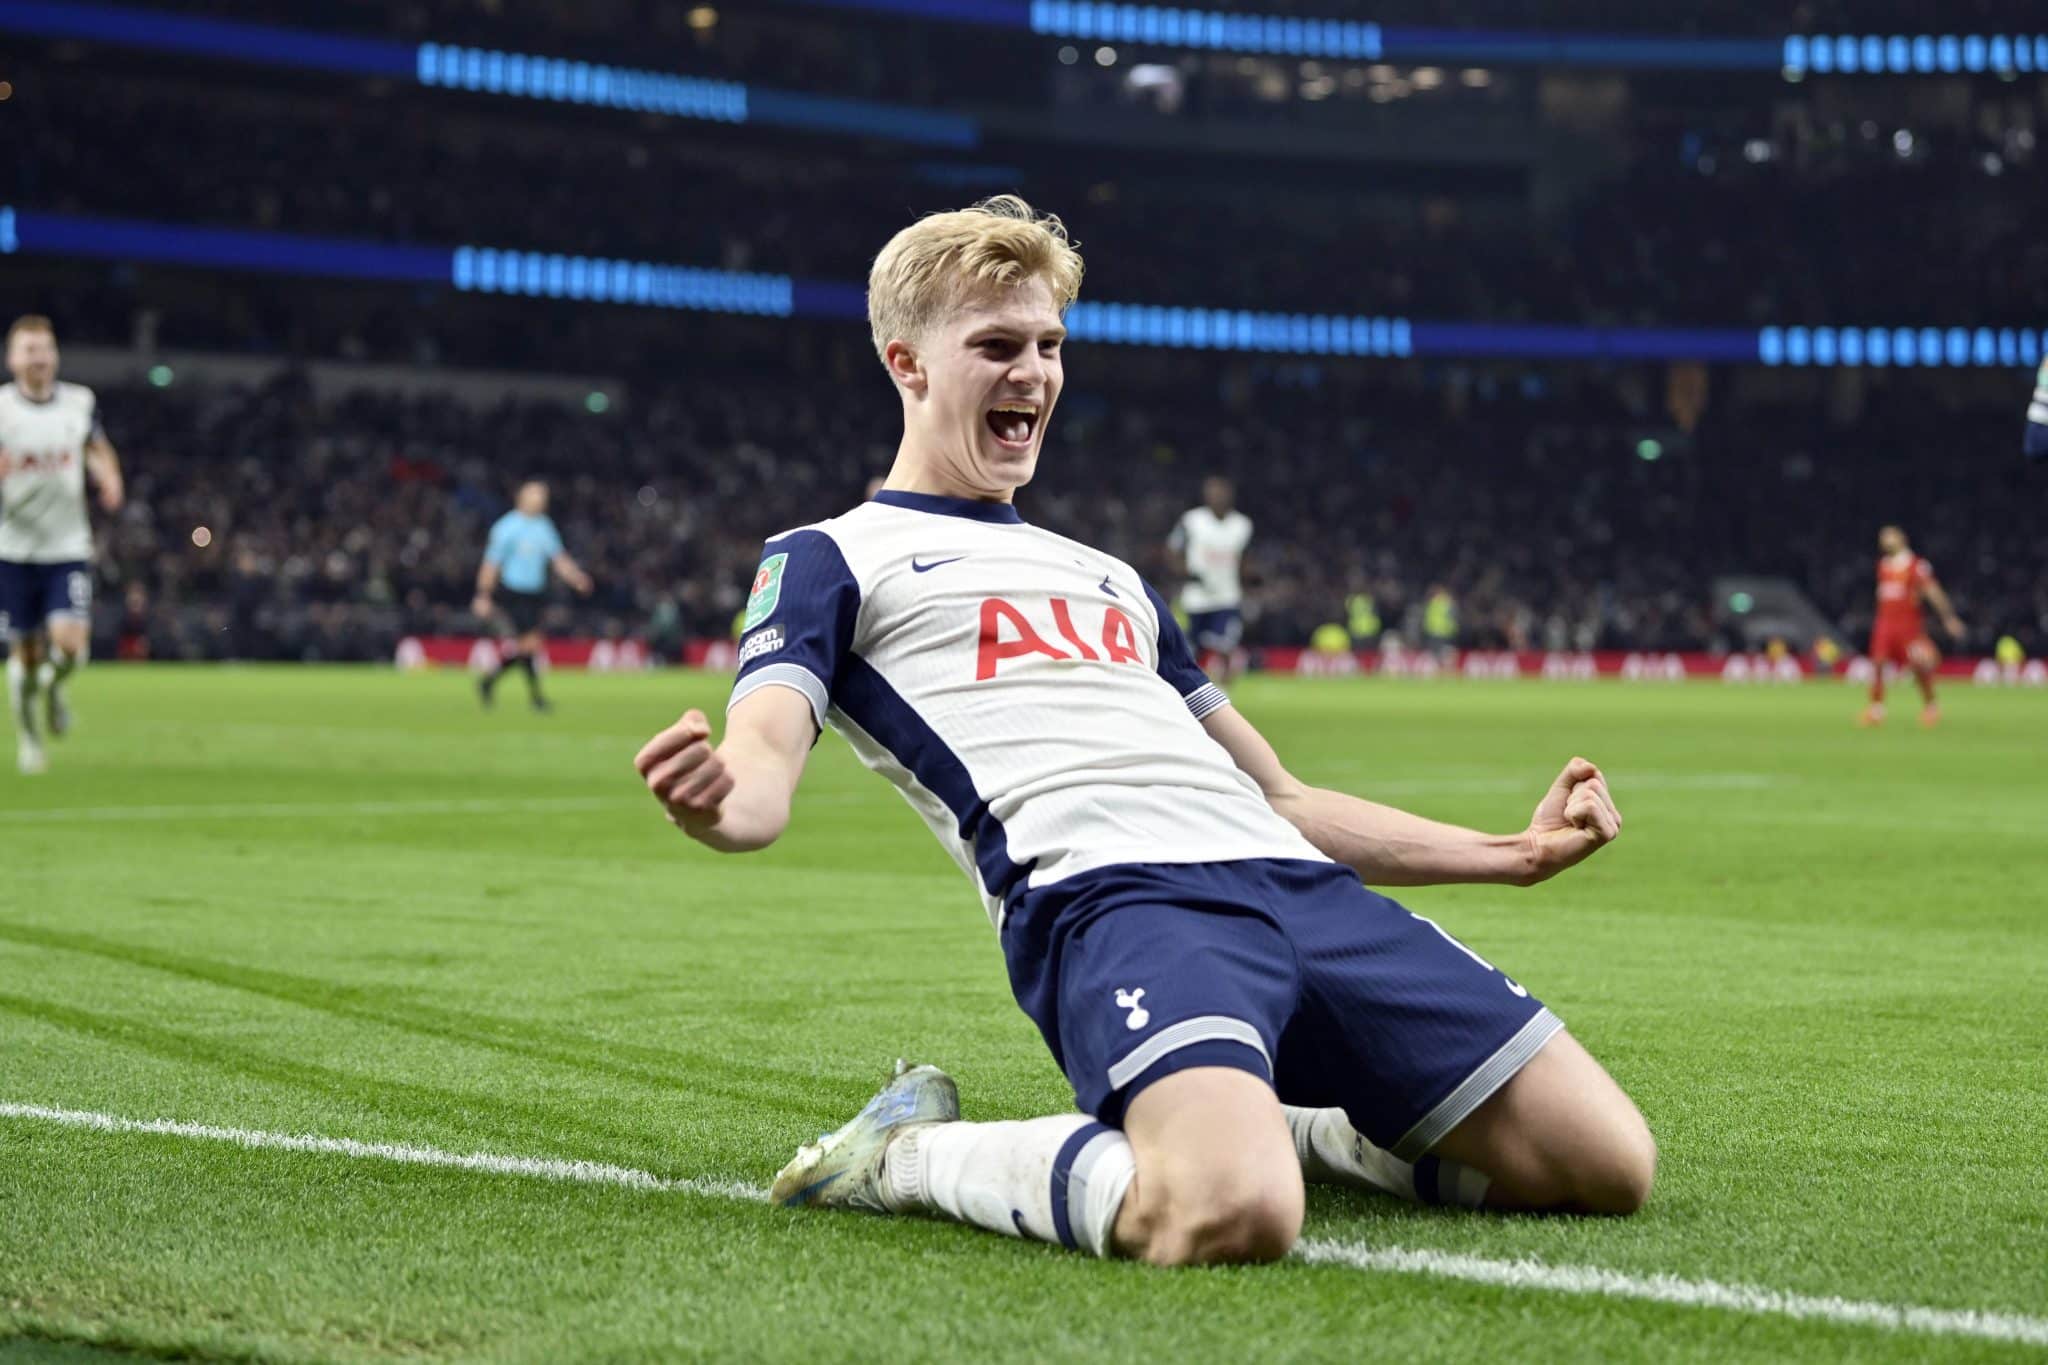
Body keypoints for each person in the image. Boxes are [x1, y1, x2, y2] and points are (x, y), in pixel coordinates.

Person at [633, 197, 1651, 1269]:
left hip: (1294, 890)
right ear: (907, 363)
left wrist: (1515, 855)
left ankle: (1292, 1129)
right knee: (1226, 1214)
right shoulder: (828, 556)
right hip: (1117, 899)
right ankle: (904, 1155)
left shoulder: (1108, 576)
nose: (1032, 373)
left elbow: (1285, 802)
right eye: (994, 346)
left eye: (1047, 346)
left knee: (1601, 1164)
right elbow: (756, 780)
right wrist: (714, 799)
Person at [0, 316, 124, 776]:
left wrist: (109, 476)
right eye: (29, 349)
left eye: (45, 348)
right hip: (13, 552)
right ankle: (30, 739)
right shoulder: (2, 409)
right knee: (26, 659)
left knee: (71, 647)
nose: (38, 358)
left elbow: (96, 446)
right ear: (12, 359)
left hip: (67, 546)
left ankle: (56, 688)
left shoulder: (78, 402)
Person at [472, 480, 592, 712]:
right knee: (530, 643)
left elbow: (558, 559)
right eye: (536, 495)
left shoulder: (544, 527)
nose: (541, 500)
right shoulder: (506, 527)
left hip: (536, 593)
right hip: (514, 591)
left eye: (542, 496)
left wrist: (577, 577)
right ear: (522, 498)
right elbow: (491, 564)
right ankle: (535, 698)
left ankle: (489, 682)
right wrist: (483, 595)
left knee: (527, 646)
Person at [1859, 524, 1964, 728]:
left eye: (1890, 536)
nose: (1885, 540)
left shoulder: (1916, 565)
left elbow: (1932, 591)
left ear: (1902, 539)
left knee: (1918, 668)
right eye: (1883, 537)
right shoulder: (1883, 565)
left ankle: (1931, 706)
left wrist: (1948, 618)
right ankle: (1876, 710)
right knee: (1878, 663)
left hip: (1909, 627)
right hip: (1885, 624)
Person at [1166, 476, 1251, 683]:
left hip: (1227, 597)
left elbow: (1244, 559)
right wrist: (1184, 571)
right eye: (1212, 491)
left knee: (1225, 648)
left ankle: (1224, 695)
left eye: (1221, 491)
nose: (1217, 496)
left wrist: (1247, 583)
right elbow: (1172, 549)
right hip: (1196, 597)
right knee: (1189, 650)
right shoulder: (1192, 521)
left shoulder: (1242, 525)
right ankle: (1187, 690)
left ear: (1230, 494)